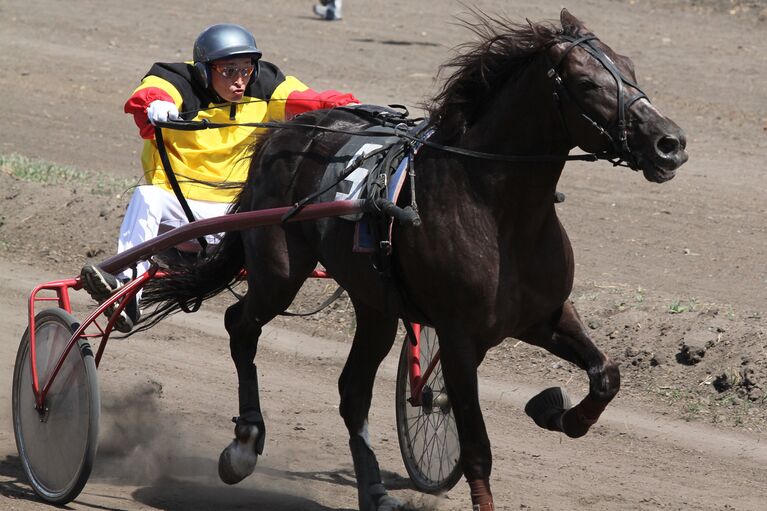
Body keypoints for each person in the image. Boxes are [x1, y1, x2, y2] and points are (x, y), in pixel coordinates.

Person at [80, 23, 358, 332]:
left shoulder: (267, 83)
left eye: (246, 69)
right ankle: (126, 290)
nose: (240, 81)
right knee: (147, 196)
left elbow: (310, 101)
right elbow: (152, 93)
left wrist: (351, 109)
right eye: (228, 71)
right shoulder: (175, 79)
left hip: (240, 219)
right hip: (184, 220)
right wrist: (157, 106)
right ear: (203, 70)